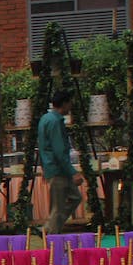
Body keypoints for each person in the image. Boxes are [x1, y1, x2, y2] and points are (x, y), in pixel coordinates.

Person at [38, 90, 83, 233]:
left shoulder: (45, 118)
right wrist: (72, 172)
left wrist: (44, 168)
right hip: (58, 169)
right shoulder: (55, 122)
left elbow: (42, 146)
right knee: (58, 205)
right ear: (64, 103)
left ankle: (50, 227)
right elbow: (59, 150)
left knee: (74, 197)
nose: (71, 106)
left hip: (52, 167)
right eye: (70, 103)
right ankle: (49, 231)